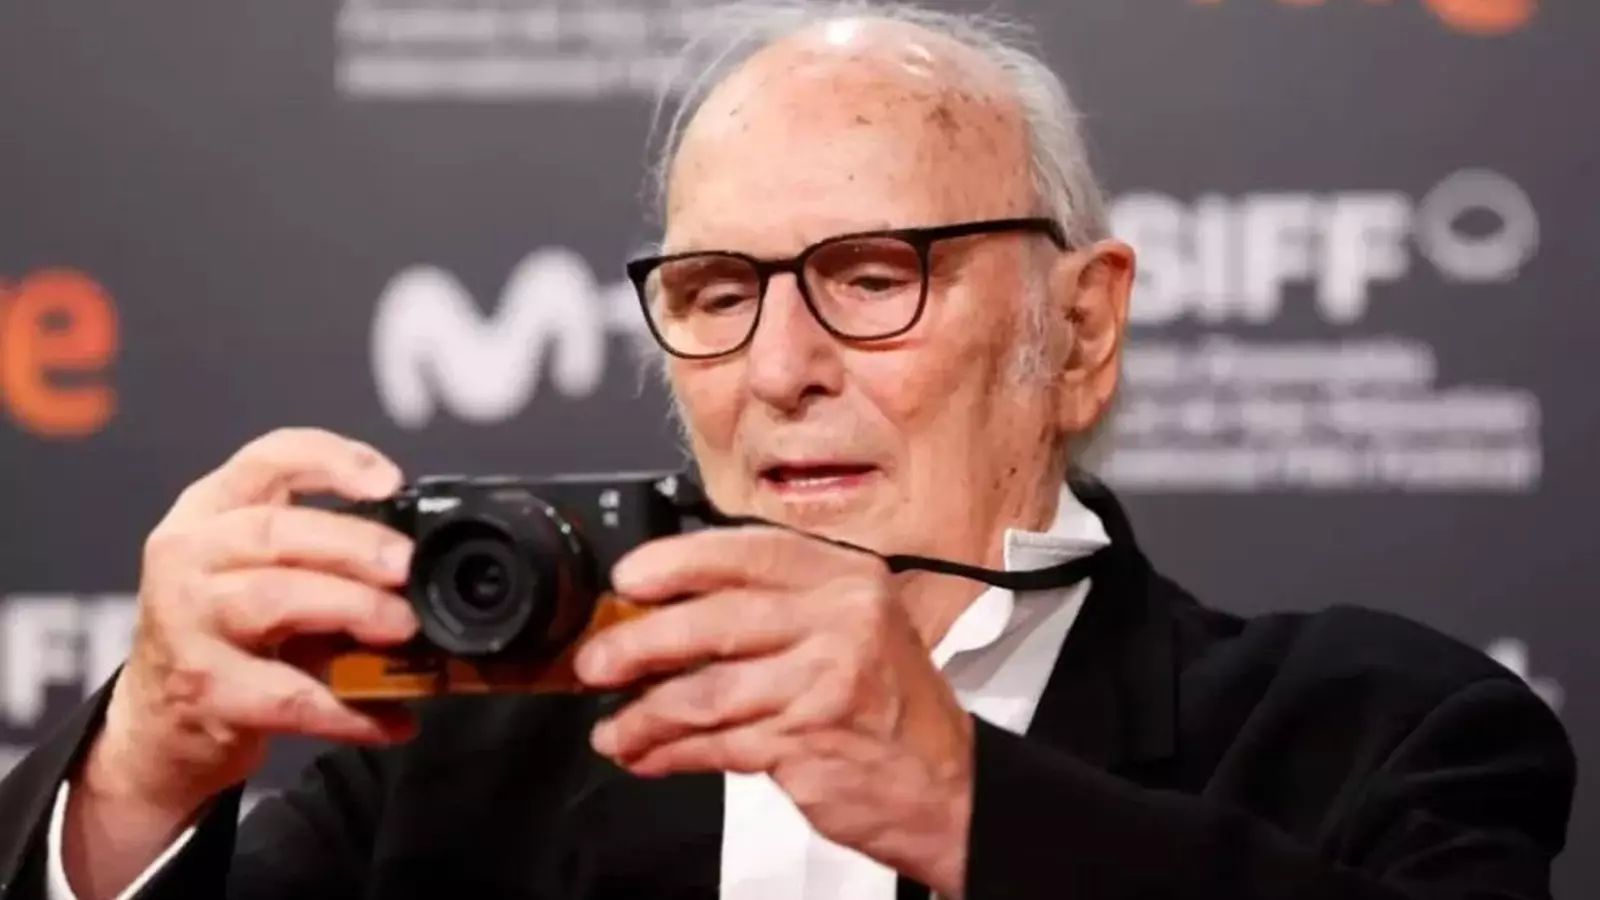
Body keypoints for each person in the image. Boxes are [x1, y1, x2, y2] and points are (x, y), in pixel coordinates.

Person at [0, 3, 1575, 899]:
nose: (779, 368)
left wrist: (959, 799)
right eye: (715, 293)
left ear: (1082, 329)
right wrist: (138, 776)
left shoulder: (1383, 735)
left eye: (875, 277)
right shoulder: (452, 778)